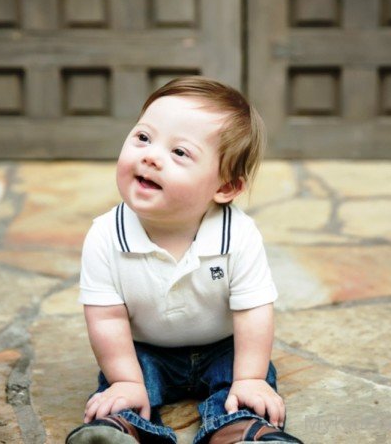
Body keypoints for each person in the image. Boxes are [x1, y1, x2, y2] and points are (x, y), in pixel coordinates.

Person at [66, 76, 304, 444]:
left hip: (221, 346)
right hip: (147, 349)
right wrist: (125, 379)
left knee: (245, 384)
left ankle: (239, 431)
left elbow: (253, 310)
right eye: (143, 138)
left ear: (225, 187)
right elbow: (106, 316)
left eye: (180, 153)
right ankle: (122, 429)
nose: (150, 156)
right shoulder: (105, 235)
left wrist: (250, 377)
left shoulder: (238, 235)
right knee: (124, 385)